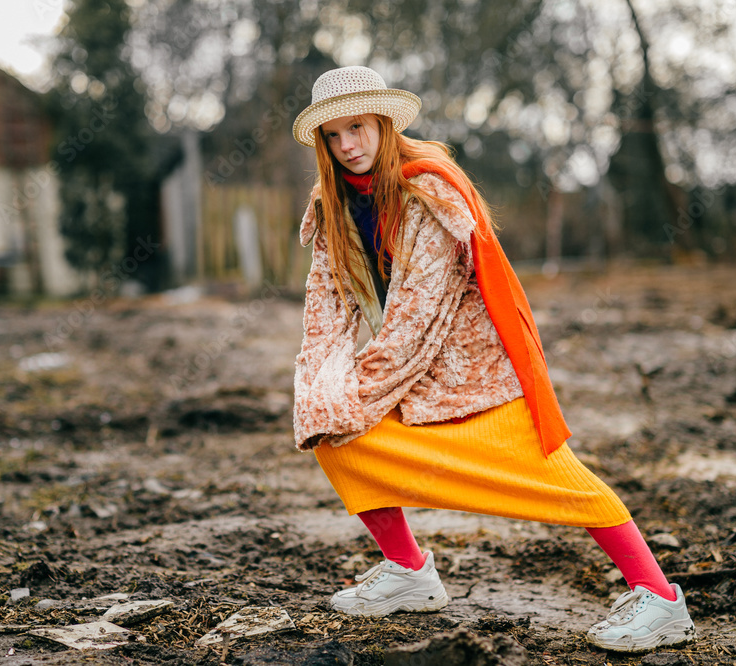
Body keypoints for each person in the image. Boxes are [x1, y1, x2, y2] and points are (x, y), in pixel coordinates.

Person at [290, 66, 696, 653]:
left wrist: (355, 389)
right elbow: (324, 303)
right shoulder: (332, 205)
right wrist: (319, 384)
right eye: (333, 134)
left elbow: (414, 319)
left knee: (563, 480)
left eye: (357, 127)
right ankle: (409, 573)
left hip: (475, 374)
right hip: (412, 377)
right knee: (333, 435)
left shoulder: (426, 191)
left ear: (382, 122)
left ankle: (659, 600)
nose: (347, 144)